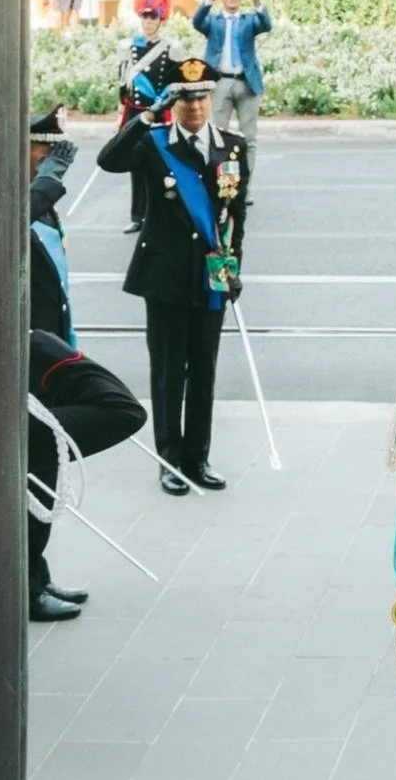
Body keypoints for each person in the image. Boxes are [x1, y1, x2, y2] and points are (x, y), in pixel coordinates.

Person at [96, 53, 248, 495]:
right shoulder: (153, 142)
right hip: (164, 278)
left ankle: (198, 457)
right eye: (185, 100)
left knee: (204, 372)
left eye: (201, 98)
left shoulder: (231, 147)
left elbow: (236, 215)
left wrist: (234, 267)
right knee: (167, 373)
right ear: (173, 103)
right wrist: (145, 116)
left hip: (210, 279)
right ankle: (170, 461)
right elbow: (109, 159)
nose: (195, 108)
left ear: (211, 97)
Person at [28, 328, 147, 624]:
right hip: (28, 365)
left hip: (41, 380)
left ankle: (34, 576)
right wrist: (45, 347)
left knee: (42, 491)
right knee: (31, 492)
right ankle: (26, 588)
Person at [119, 0, 180, 233]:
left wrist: (163, 105)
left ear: (161, 18)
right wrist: (120, 114)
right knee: (136, 163)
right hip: (135, 111)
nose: (148, 21)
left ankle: (159, 215)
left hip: (159, 111)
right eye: (145, 16)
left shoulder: (171, 48)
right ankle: (137, 216)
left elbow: (175, 83)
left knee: (160, 164)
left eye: (153, 16)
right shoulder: (128, 47)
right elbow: (122, 84)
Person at [193, 0, 271, 179]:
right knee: (218, 136)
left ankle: (245, 186)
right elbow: (197, 21)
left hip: (247, 83)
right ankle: (222, 183)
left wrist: (257, 0)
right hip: (220, 82)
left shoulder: (249, 20)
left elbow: (266, 25)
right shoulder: (213, 21)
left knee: (249, 139)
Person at [29, 106, 79, 344]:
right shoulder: (12, 196)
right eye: (43, 150)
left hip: (52, 329)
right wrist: (47, 179)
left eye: (54, 152)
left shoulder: (46, 204)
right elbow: (18, 222)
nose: (48, 159)